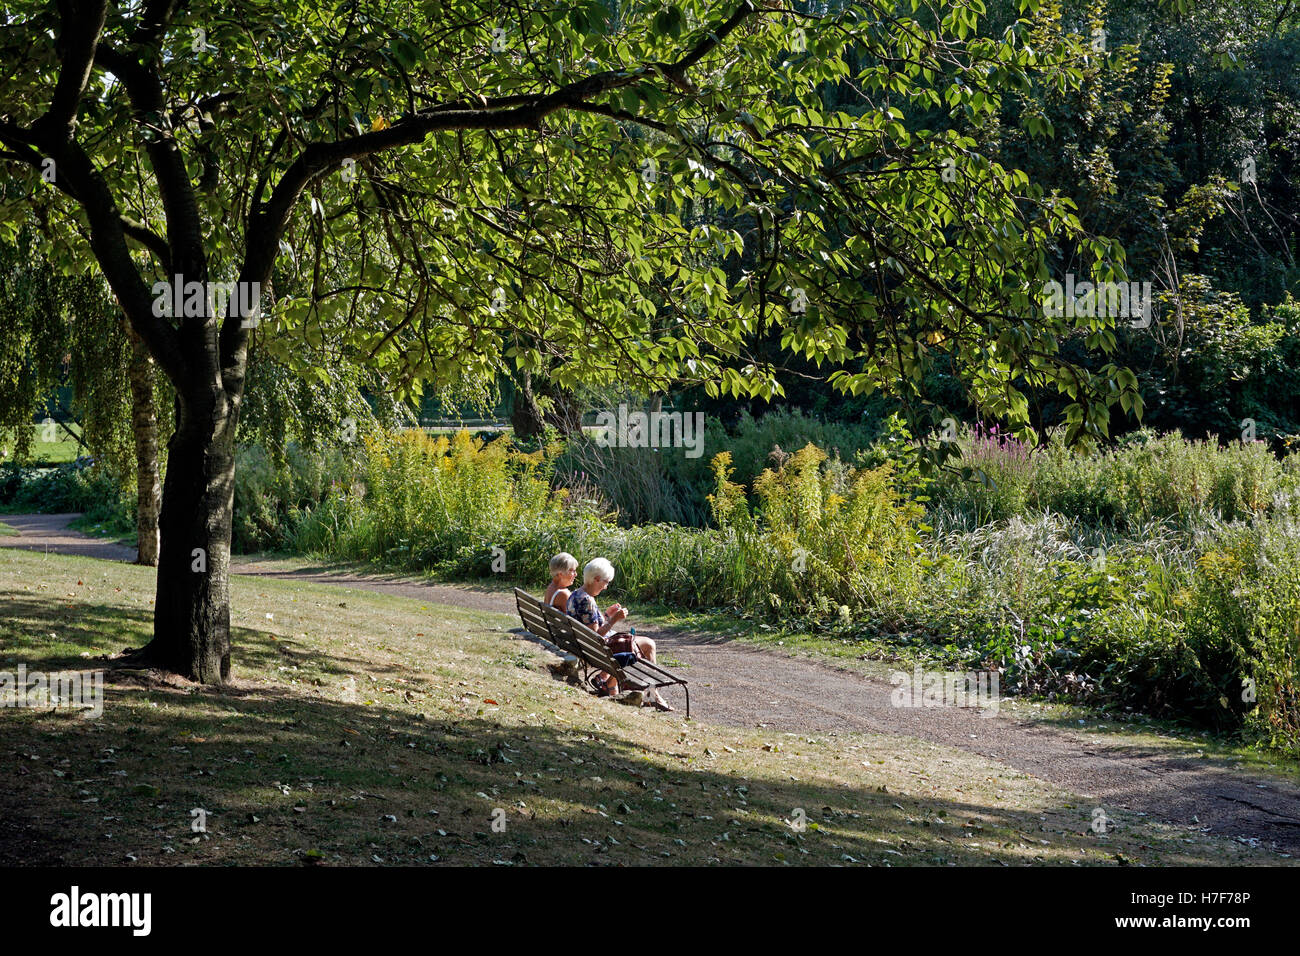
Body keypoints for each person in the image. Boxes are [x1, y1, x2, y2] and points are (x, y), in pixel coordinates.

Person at [567, 557, 672, 711]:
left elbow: (588, 625)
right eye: (606, 582)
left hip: (584, 646)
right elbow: (595, 635)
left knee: (633, 641)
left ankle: (612, 687)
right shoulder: (587, 600)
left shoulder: (576, 594)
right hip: (596, 650)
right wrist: (614, 619)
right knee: (649, 645)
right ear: (596, 579)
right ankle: (651, 695)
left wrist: (606, 615)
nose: (606, 587)